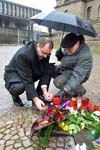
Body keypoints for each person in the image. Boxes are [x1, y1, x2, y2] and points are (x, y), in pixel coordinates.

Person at [4, 37, 55, 110]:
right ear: (37, 45)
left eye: (48, 54)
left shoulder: (45, 52)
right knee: (18, 87)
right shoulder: (24, 55)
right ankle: (15, 95)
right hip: (15, 74)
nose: (45, 56)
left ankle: (39, 94)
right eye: (43, 53)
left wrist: (45, 91)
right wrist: (35, 99)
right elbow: (27, 79)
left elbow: (45, 72)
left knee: (50, 68)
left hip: (31, 70)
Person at [54, 33, 93, 99]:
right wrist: (60, 55)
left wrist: (64, 90)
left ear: (77, 44)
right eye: (66, 48)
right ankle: (69, 87)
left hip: (78, 73)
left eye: (69, 49)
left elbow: (77, 75)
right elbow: (67, 57)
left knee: (58, 82)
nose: (67, 51)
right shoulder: (70, 46)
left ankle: (80, 90)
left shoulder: (85, 55)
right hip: (66, 68)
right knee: (50, 69)